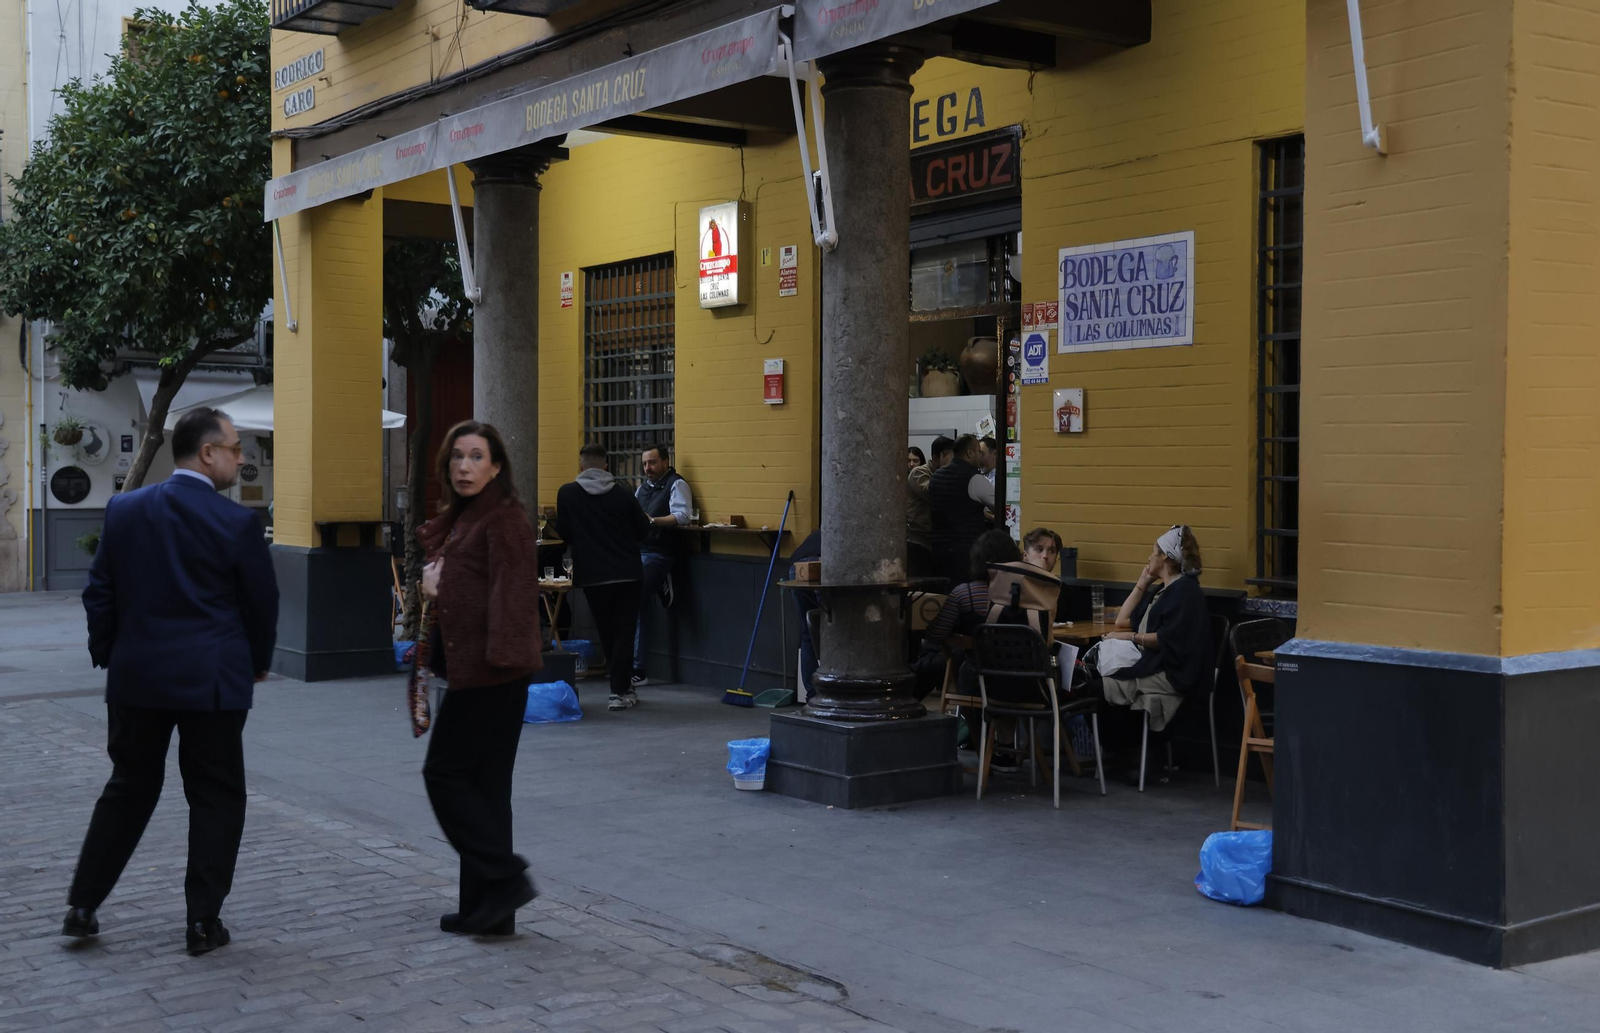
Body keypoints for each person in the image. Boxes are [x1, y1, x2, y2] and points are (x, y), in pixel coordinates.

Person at [65, 407, 279, 956]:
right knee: (215, 796)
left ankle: (83, 905)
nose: (240, 457)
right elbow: (262, 604)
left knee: (128, 788)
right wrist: (256, 661)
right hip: (213, 681)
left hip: (138, 677)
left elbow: (99, 592)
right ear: (207, 454)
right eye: (234, 448)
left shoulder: (125, 509)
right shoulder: (237, 524)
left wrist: (113, 653)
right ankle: (203, 923)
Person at [418, 421, 542, 936]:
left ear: (495, 467)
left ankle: (506, 877)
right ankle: (488, 912)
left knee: (443, 774)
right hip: (477, 668)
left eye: (475, 457)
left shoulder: (505, 519)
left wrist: (435, 592)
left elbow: (511, 598)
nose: (464, 467)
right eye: (457, 458)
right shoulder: (468, 516)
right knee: (485, 789)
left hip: (493, 672)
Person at [1100, 524, 1211, 784]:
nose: (1149, 557)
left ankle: (1131, 754)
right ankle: (1129, 753)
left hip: (1175, 672)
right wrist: (1143, 581)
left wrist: (1132, 638)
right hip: (1156, 664)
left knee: (1103, 687)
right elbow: (1122, 620)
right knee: (1104, 682)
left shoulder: (1185, 592)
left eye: (1153, 551)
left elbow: (1167, 639)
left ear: (1165, 557)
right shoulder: (1162, 591)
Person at [555, 444, 651, 712]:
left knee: (607, 632)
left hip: (593, 574)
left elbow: (564, 533)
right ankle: (619, 690)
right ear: (606, 465)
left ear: (581, 465)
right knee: (624, 632)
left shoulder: (567, 494)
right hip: (628, 573)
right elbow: (643, 531)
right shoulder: (623, 494)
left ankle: (620, 687)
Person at [912, 530, 1021, 700]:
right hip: (1019, 677)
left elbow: (936, 634)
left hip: (976, 678)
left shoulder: (964, 594)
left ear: (977, 558)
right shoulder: (1022, 595)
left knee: (934, 653)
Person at [632, 443, 692, 688]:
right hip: (637, 550)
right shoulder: (642, 489)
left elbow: (683, 516)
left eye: (653, 463)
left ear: (666, 461)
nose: (648, 468)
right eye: (645, 463)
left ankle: (637, 668)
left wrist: (653, 521)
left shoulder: (677, 484)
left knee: (635, 599)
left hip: (659, 551)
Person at [928, 434, 994, 586]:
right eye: (979, 452)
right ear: (969, 453)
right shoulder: (975, 478)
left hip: (939, 551)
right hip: (966, 552)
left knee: (945, 595)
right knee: (965, 596)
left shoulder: (936, 476)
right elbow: (1000, 507)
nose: (981, 456)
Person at [906, 435, 955, 577]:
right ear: (937, 457)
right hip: (918, 540)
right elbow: (933, 495)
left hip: (935, 540)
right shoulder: (919, 473)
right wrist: (947, 471)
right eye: (951, 458)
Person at [788, 529, 822, 697]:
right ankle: (832, 688)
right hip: (820, 565)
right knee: (833, 629)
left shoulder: (817, 534)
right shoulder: (849, 530)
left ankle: (812, 693)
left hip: (796, 568)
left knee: (808, 632)